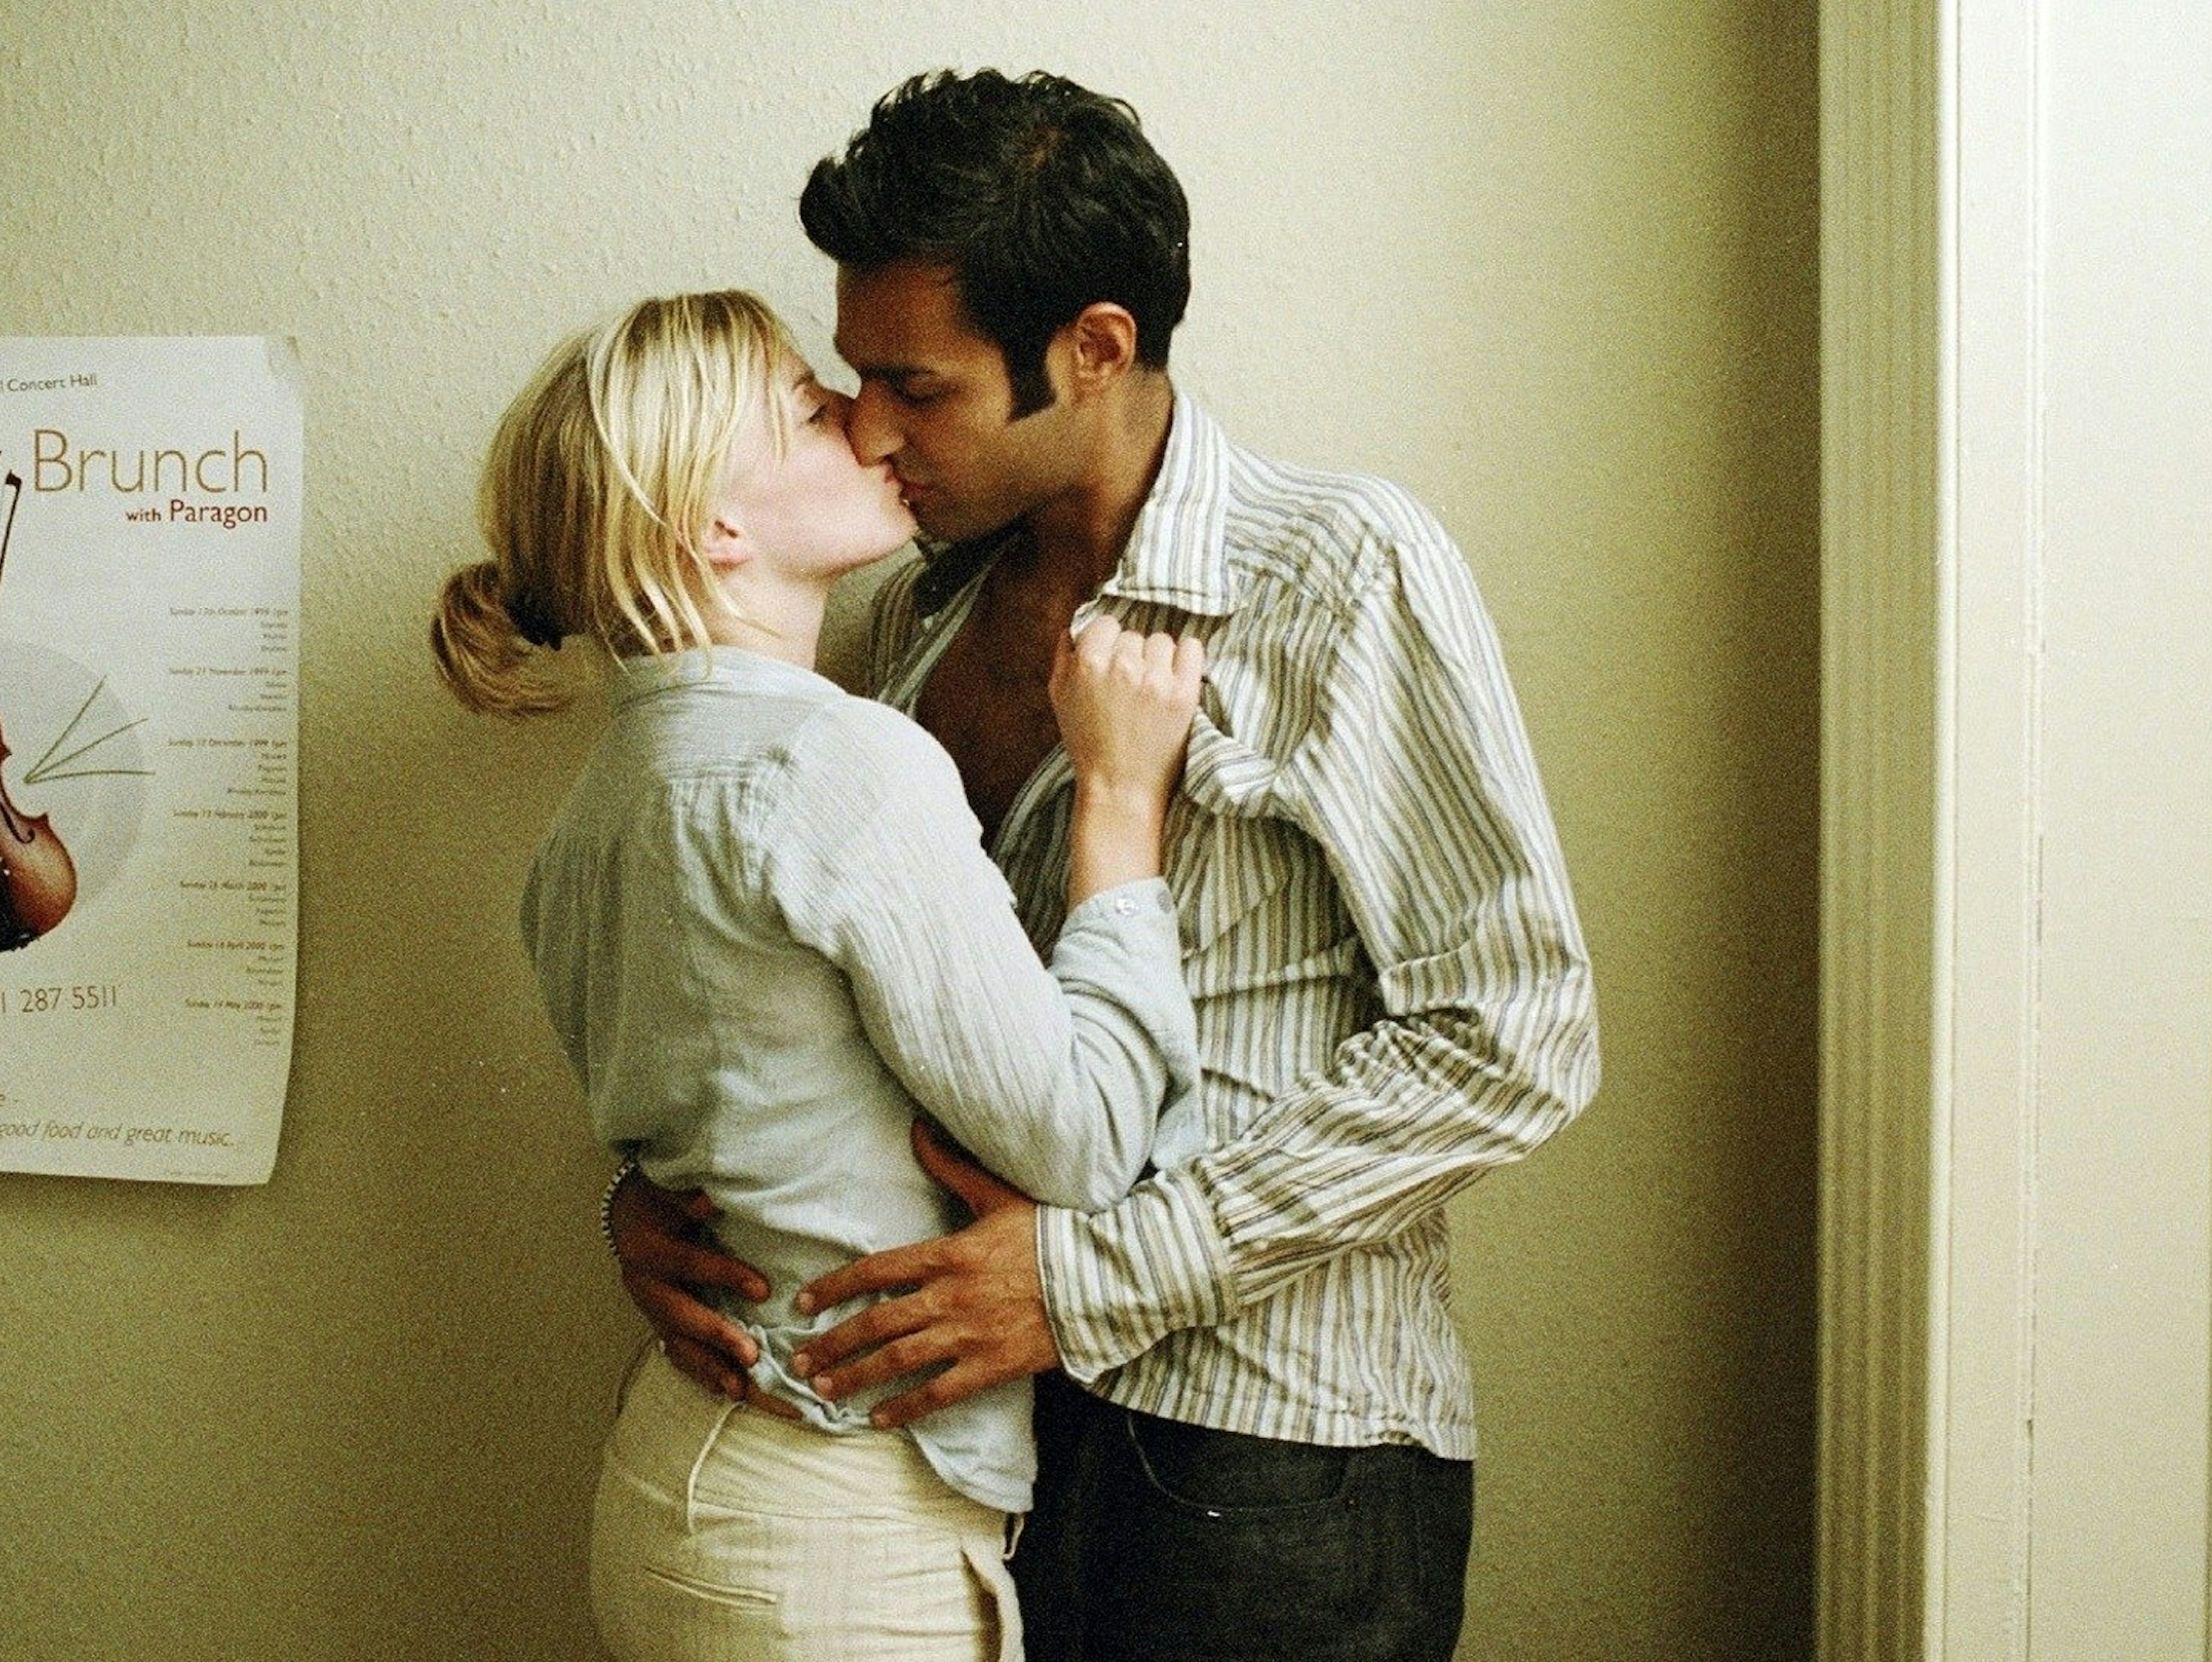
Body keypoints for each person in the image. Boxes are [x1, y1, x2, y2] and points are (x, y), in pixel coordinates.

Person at [608, 74, 1602, 1659]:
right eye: (854, 377)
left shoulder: (1340, 575)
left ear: (1095, 347)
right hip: (956, 1446)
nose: (867, 427)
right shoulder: (904, 613)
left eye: (914, 386)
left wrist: (1089, 1279)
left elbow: (1516, 1036)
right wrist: (660, 1199)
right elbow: (826, 991)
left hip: (1262, 1464)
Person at [432, 289, 1208, 1659]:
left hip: (685, 1483)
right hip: (835, 1528)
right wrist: (1120, 795)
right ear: (714, 530)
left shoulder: (585, 827)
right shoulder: (837, 763)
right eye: (807, 408)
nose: (863, 422)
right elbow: (1085, 1146)